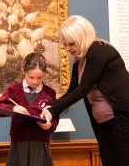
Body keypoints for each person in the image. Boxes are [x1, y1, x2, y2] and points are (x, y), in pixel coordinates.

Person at [40, 15, 129, 166]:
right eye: (65, 45)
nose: (67, 49)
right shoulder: (80, 61)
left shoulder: (98, 50)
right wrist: (50, 107)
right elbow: (72, 90)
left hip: (122, 121)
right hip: (104, 124)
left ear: (83, 37)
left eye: (71, 44)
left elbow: (83, 89)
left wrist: (53, 110)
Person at [0, 52, 59, 166]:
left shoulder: (50, 93)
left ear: (44, 74)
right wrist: (13, 108)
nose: (35, 81)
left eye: (40, 78)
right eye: (31, 77)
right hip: (19, 143)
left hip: (40, 143)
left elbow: (55, 119)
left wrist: (49, 125)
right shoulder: (13, 89)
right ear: (23, 71)